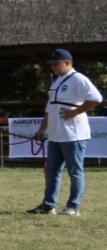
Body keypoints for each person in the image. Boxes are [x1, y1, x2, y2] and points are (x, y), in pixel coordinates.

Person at [27, 49, 102, 216]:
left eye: (55, 63)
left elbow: (96, 98)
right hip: (55, 135)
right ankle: (48, 205)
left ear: (67, 63)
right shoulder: (57, 81)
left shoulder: (78, 79)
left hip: (73, 135)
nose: (52, 67)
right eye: (51, 64)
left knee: (75, 171)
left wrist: (74, 112)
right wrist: (42, 129)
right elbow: (50, 108)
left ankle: (73, 207)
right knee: (52, 171)